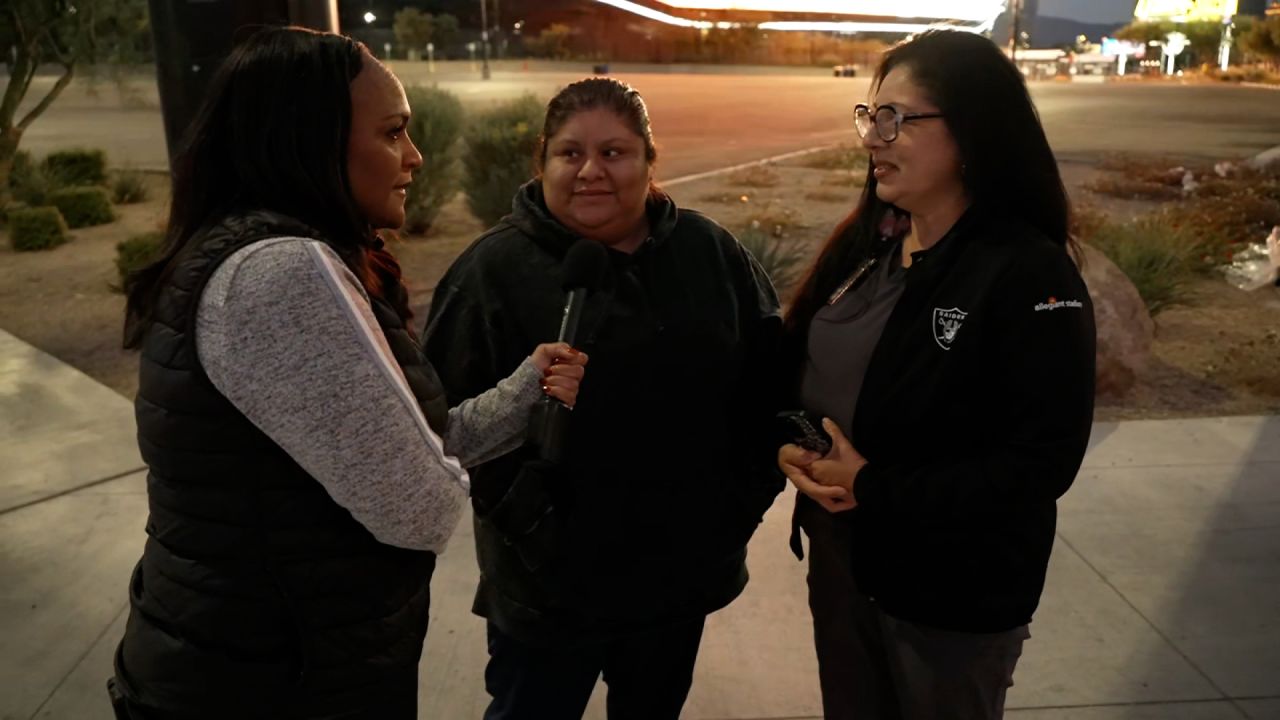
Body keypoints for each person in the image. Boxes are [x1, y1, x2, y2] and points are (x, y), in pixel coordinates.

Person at [107, 26, 587, 719]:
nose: (415, 157)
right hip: (268, 682)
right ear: (308, 140)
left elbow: (391, 451)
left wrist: (522, 391)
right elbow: (417, 504)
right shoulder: (280, 275)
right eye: (392, 133)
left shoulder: (248, 252)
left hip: (253, 661)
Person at [422, 77, 783, 720]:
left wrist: (735, 509)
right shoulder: (491, 272)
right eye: (570, 154)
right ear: (542, 162)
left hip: (677, 582)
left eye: (614, 153)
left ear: (649, 160)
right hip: (548, 593)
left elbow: (768, 384)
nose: (591, 171)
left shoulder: (710, 253)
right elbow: (439, 426)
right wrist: (533, 525)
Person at [776, 30, 1097, 720]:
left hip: (951, 601)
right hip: (843, 572)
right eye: (869, 116)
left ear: (973, 131)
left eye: (896, 119)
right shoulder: (870, 242)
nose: (872, 138)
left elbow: (1040, 463)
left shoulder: (1026, 271)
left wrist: (872, 485)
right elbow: (791, 370)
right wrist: (788, 446)